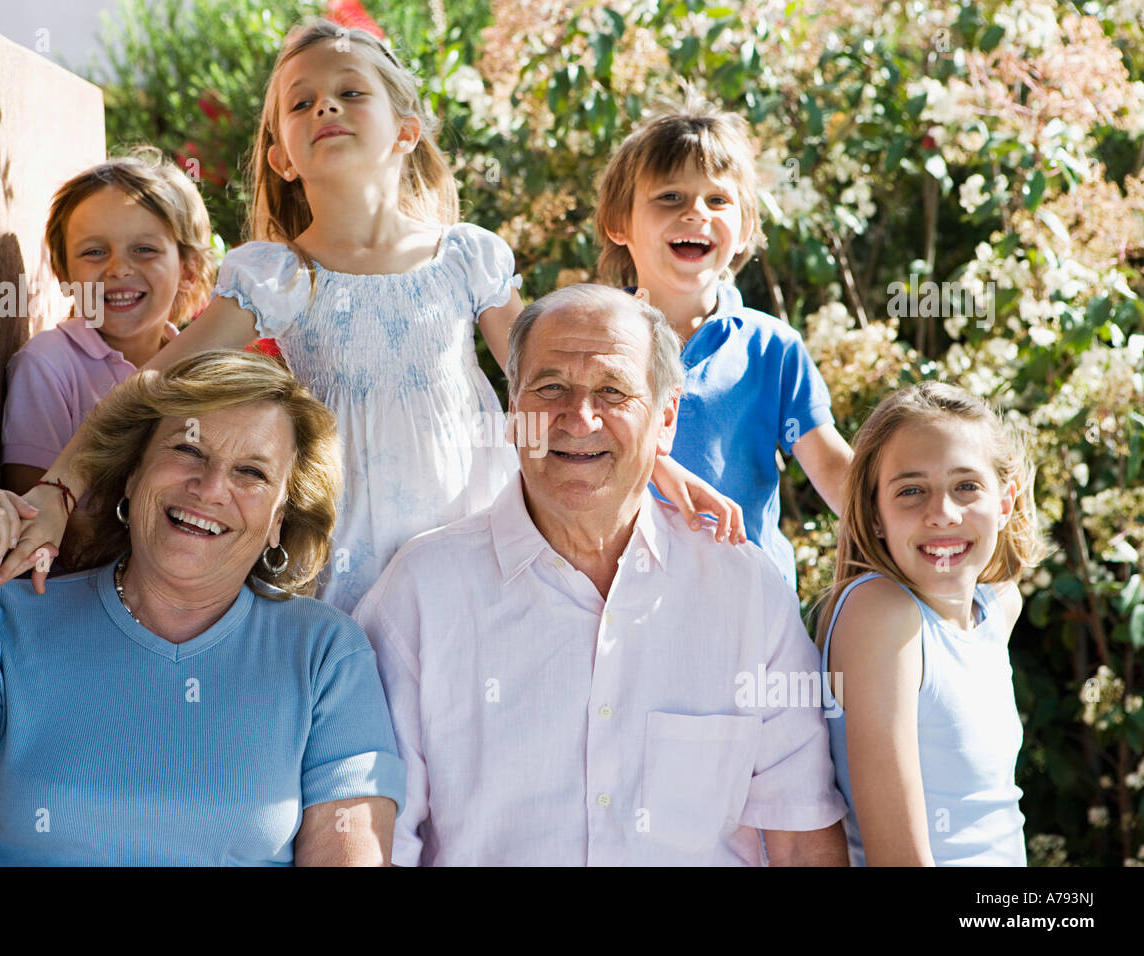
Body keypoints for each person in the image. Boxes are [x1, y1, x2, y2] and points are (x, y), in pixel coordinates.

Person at [0, 18, 742, 612]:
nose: (325, 105)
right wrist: (56, 493)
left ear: (407, 129)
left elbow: (551, 394)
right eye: (300, 101)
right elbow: (144, 388)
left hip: (475, 543)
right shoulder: (278, 275)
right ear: (283, 155)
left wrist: (656, 470)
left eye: (351, 92)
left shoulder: (465, 259)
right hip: (339, 558)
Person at [0, 350, 405, 865]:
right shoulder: (2, 626)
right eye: (188, 449)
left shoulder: (326, 652)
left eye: (252, 473)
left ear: (279, 519)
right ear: (133, 474)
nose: (210, 488)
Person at [354, 285, 849, 866]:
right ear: (514, 411)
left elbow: (800, 835)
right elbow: (379, 842)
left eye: (612, 391)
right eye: (551, 387)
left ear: (666, 419)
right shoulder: (420, 595)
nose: (579, 417)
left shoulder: (745, 590)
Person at [595, 98, 853, 588]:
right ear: (619, 223)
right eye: (670, 197)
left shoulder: (773, 348)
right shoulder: (592, 342)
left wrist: (915, 518)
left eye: (718, 200)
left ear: (745, 231)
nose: (696, 212)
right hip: (626, 602)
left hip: (748, 607)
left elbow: (836, 472)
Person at [817, 381, 1046, 866]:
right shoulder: (882, 614)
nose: (942, 513)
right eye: (911, 491)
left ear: (1004, 503)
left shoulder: (994, 609)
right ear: (874, 514)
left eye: (966, 486)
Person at [1, 149, 217, 497]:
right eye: (94, 252)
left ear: (187, 270)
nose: (119, 269)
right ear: (63, 272)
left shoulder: (201, 371)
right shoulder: (47, 364)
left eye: (144, 249)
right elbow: (32, 504)